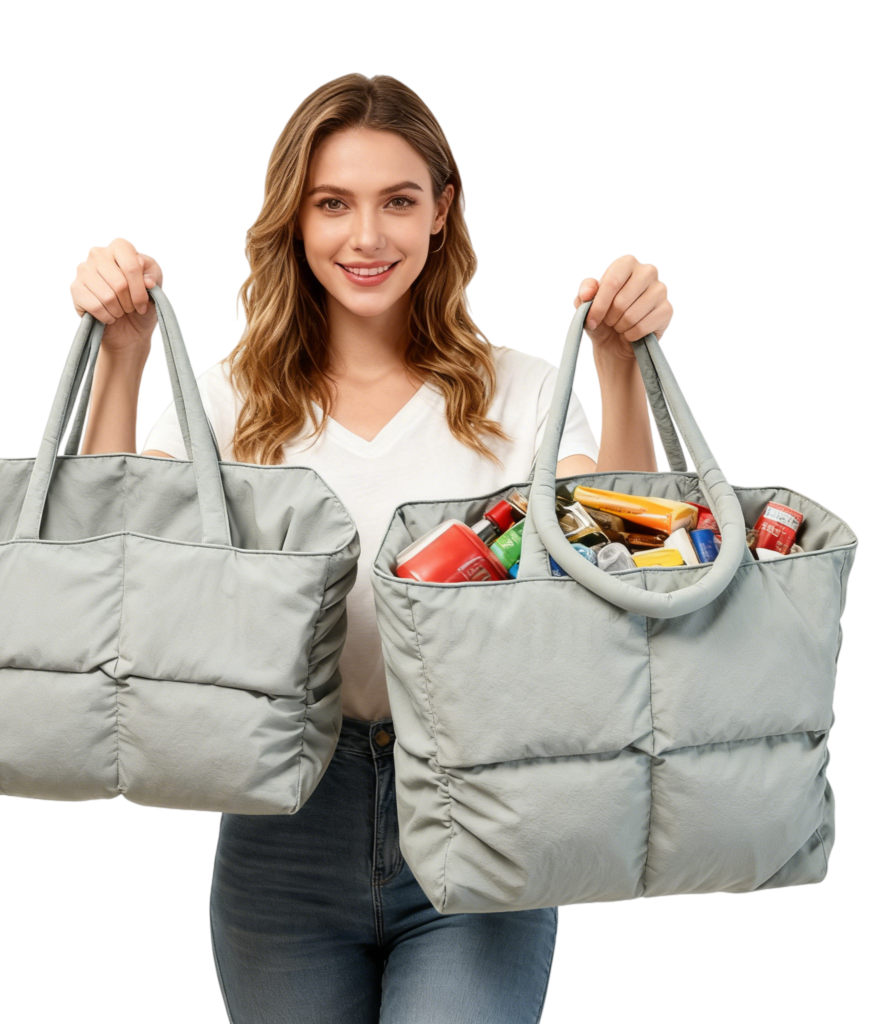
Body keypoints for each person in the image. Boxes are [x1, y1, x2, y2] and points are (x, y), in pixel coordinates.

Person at [70, 73, 669, 1024]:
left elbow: (630, 564)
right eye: (332, 204)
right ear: (295, 221)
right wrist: (124, 357)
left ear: (442, 212)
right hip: (285, 834)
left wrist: (620, 368)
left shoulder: (521, 395)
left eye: (398, 201)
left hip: (482, 821)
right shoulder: (229, 403)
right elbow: (109, 565)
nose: (367, 236)